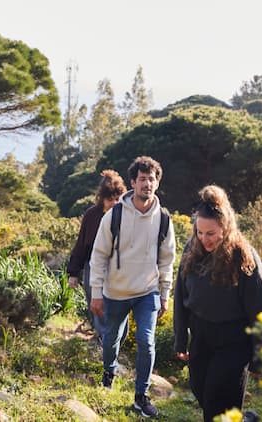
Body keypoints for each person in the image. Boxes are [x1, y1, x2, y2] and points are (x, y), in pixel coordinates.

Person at [173, 185, 262, 422]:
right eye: (200, 232)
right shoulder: (191, 249)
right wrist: (180, 338)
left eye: (211, 233)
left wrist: (260, 356)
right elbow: (180, 295)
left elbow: (259, 308)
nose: (204, 239)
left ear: (225, 228)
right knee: (200, 390)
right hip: (202, 336)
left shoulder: (243, 256)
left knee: (216, 399)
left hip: (234, 342)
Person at [89, 156, 176, 418]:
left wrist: (165, 294)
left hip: (147, 292)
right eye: (142, 179)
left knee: (146, 342)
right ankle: (109, 371)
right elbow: (99, 254)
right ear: (133, 182)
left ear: (157, 183)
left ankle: (141, 396)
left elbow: (167, 259)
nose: (147, 184)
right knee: (112, 338)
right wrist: (96, 293)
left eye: (151, 179)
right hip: (115, 292)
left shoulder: (163, 218)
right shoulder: (115, 214)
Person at [67, 169, 127, 341]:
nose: (114, 204)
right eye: (110, 200)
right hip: (92, 266)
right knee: (96, 304)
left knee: (119, 307)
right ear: (102, 199)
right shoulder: (92, 215)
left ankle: (116, 343)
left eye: (117, 199)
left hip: (118, 267)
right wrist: (73, 273)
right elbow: (81, 245)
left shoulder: (127, 216)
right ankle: (103, 340)